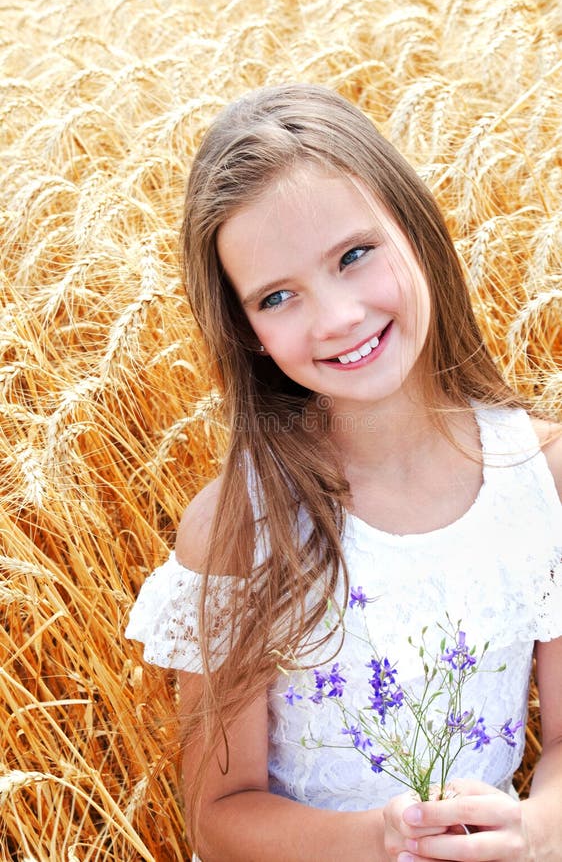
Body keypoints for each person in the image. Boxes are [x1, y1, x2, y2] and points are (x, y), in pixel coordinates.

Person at [126, 84, 562, 861]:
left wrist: (532, 830)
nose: (336, 318)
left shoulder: (543, 480)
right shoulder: (241, 528)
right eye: (278, 297)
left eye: (354, 255)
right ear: (249, 332)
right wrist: (382, 839)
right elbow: (220, 816)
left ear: (415, 228)